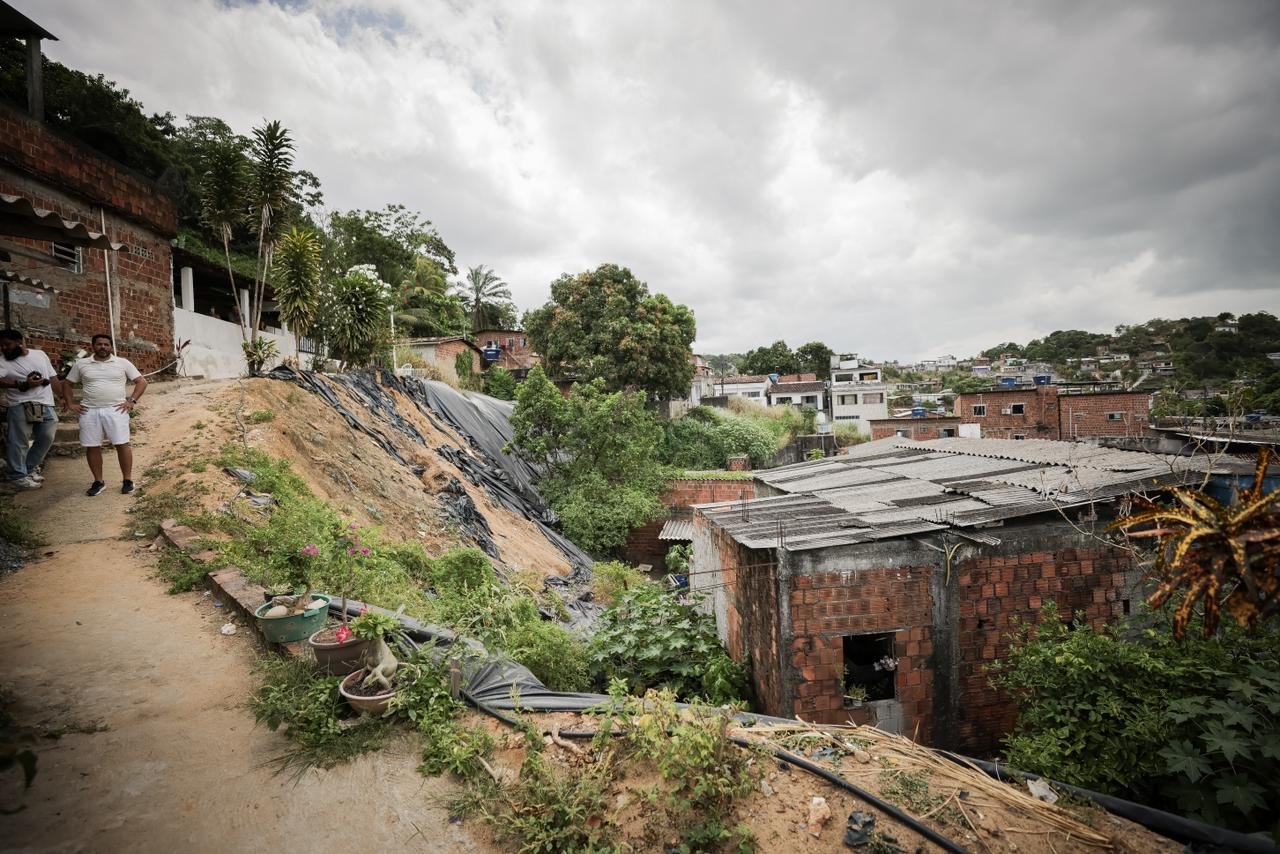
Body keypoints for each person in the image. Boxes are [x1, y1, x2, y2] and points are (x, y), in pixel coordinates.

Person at [61, 334, 147, 496]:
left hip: (116, 410)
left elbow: (141, 381)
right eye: (99, 344)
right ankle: (98, 482)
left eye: (106, 344)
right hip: (89, 411)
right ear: (93, 346)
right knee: (92, 446)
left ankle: (127, 480)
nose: (103, 347)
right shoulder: (82, 364)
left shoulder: (122, 363)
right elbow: (67, 383)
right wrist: (70, 403)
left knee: (122, 444)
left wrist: (131, 401)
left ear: (111, 347)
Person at [0, 328, 60, 489]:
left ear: (19, 342)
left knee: (47, 437)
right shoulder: (2, 362)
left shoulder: (39, 354)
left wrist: (62, 397)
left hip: (46, 403)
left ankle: (28, 469)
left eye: (7, 344)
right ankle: (17, 476)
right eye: (1, 346)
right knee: (18, 441)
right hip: (20, 404)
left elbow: (52, 377)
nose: (4, 348)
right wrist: (20, 384)